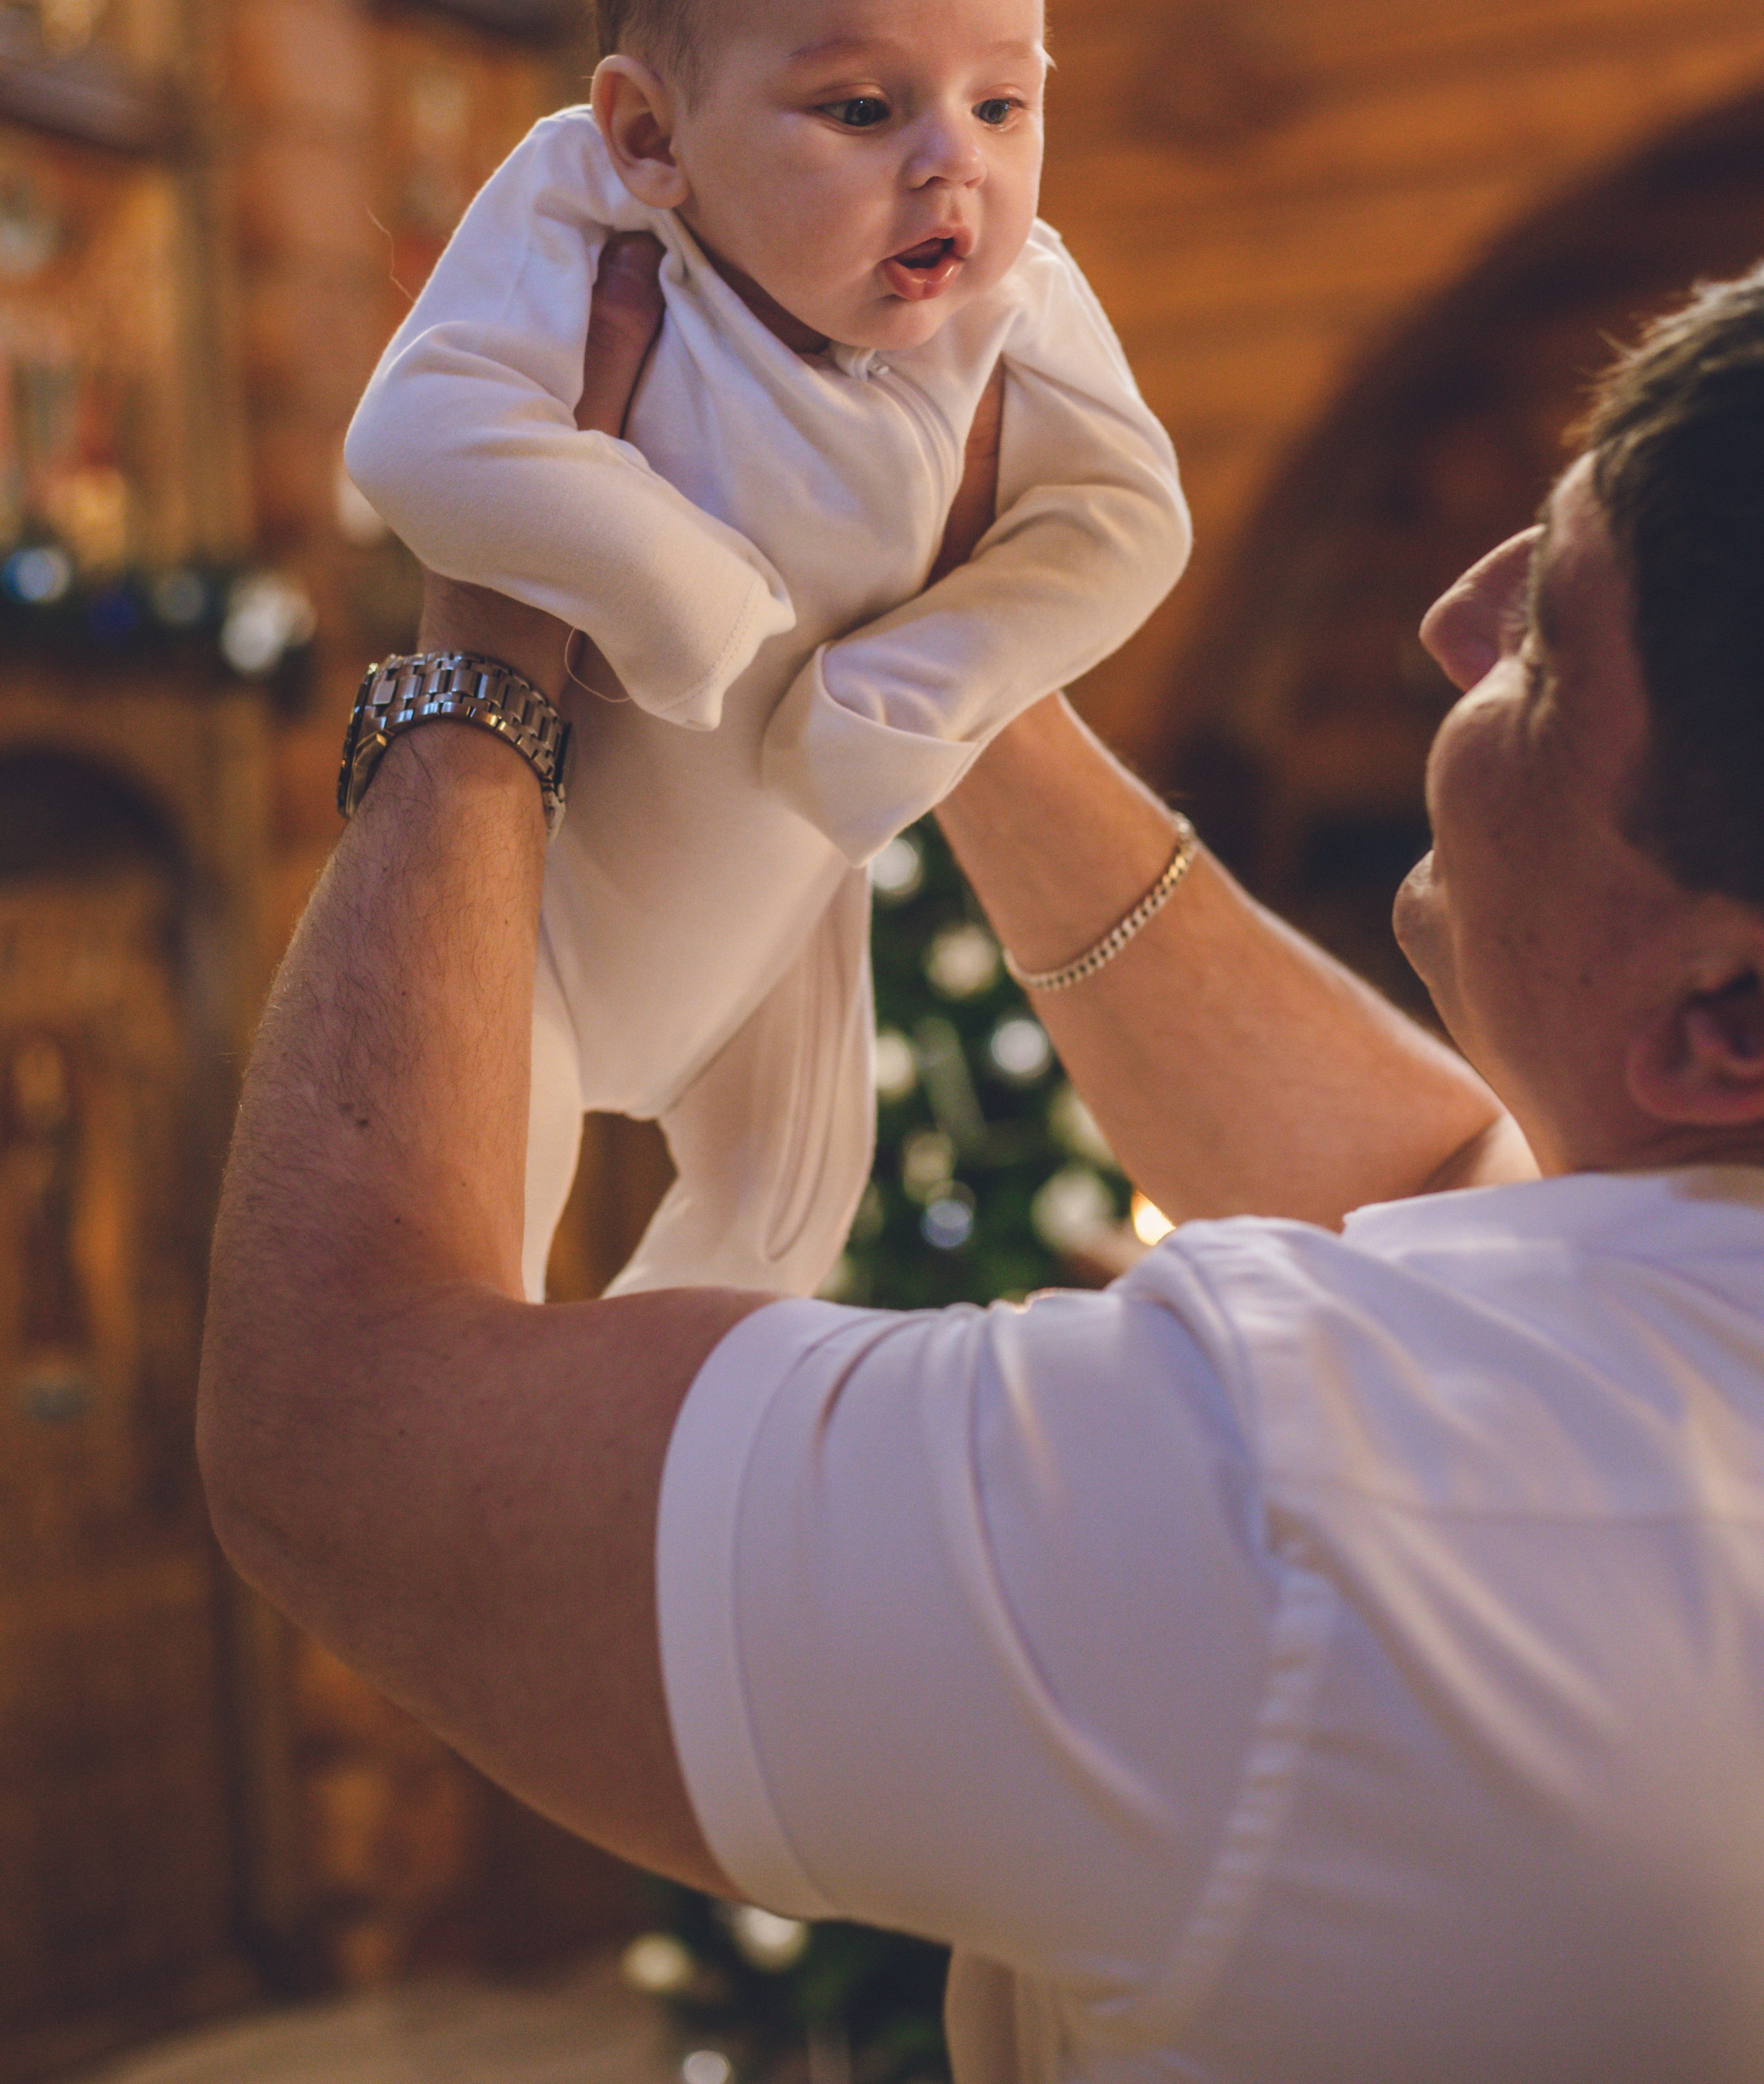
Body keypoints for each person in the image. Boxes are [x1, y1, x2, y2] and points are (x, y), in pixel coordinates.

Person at [198, 263, 1764, 2084]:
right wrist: (947, 667)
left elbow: (353, 1434)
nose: (1450, 621)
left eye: (1551, 653)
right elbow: (1434, 1187)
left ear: (1724, 1014)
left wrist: (491, 623)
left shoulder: (1310, 1502)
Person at [342, 0, 1187, 1302]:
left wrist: (921, 681)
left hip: (789, 893)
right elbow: (416, 437)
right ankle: (493, 1464)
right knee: (466, 1235)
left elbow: (1125, 521)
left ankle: (656, 1469)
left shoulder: (1012, 298)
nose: (957, 167)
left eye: (1003, 103)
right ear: (652, 131)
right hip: (543, 892)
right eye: (862, 109)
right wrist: (671, 585)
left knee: (785, 1215)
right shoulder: (587, 212)